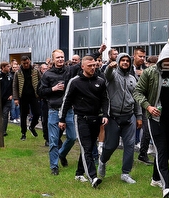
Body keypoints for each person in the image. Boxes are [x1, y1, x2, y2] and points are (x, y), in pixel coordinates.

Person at [133, 44, 169, 198]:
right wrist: (148, 107)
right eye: (168, 59)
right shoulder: (150, 73)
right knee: (161, 149)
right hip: (155, 119)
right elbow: (137, 92)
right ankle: (167, 186)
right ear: (161, 59)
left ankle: (155, 179)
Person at [59, 55, 110, 188]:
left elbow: (105, 99)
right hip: (81, 118)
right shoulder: (75, 82)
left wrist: (105, 114)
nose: (93, 67)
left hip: (96, 118)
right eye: (89, 65)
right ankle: (93, 177)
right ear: (82, 67)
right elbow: (67, 100)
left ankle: (79, 172)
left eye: (94, 65)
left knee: (89, 146)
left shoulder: (100, 81)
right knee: (86, 148)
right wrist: (62, 119)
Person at [99, 52, 141, 184]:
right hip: (113, 117)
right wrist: (110, 67)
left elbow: (137, 98)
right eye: (122, 60)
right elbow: (107, 75)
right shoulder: (112, 75)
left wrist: (138, 116)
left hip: (129, 117)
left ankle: (125, 173)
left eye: (127, 61)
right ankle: (102, 160)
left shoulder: (133, 79)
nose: (125, 63)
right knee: (111, 145)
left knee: (130, 145)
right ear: (118, 61)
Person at [38, 49, 78, 175]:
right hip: (54, 110)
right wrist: (52, 89)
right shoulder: (47, 75)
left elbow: (85, 62)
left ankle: (62, 154)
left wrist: (99, 51)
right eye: (58, 58)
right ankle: (54, 166)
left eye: (62, 57)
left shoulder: (69, 71)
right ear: (53, 60)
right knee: (54, 140)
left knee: (72, 137)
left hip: (68, 110)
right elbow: (40, 92)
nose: (60, 59)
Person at [13, 55, 42, 140]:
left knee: (37, 113)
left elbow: (41, 82)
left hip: (34, 95)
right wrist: (16, 98)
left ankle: (32, 126)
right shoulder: (18, 72)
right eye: (24, 63)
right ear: (21, 63)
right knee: (23, 115)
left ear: (29, 61)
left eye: (27, 63)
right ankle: (23, 133)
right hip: (23, 96)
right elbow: (15, 86)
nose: (26, 65)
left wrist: (41, 94)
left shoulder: (35, 71)